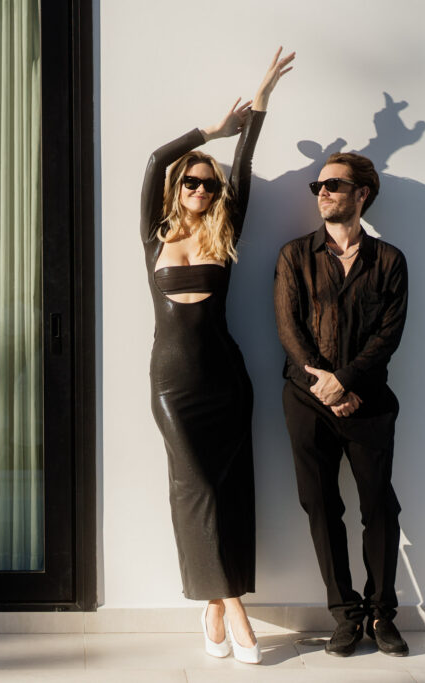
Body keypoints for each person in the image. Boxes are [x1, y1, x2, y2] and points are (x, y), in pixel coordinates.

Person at [142, 48, 295, 664]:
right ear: (179, 187)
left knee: (227, 489)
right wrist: (209, 132)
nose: (201, 189)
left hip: (226, 380)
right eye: (193, 182)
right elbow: (155, 159)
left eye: (209, 183)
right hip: (172, 384)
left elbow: (247, 164)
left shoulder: (224, 232)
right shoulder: (154, 233)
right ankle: (234, 606)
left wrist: (262, 102)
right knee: (195, 486)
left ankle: (212, 607)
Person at [273, 152, 410, 657]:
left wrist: (347, 383)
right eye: (319, 186)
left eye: (333, 184)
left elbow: (387, 336)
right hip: (306, 399)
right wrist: (326, 387)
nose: (323, 192)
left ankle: (381, 614)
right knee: (321, 505)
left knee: (380, 506)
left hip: (367, 401)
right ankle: (346, 614)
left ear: (362, 194)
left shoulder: (389, 261)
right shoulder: (294, 255)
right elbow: (289, 328)